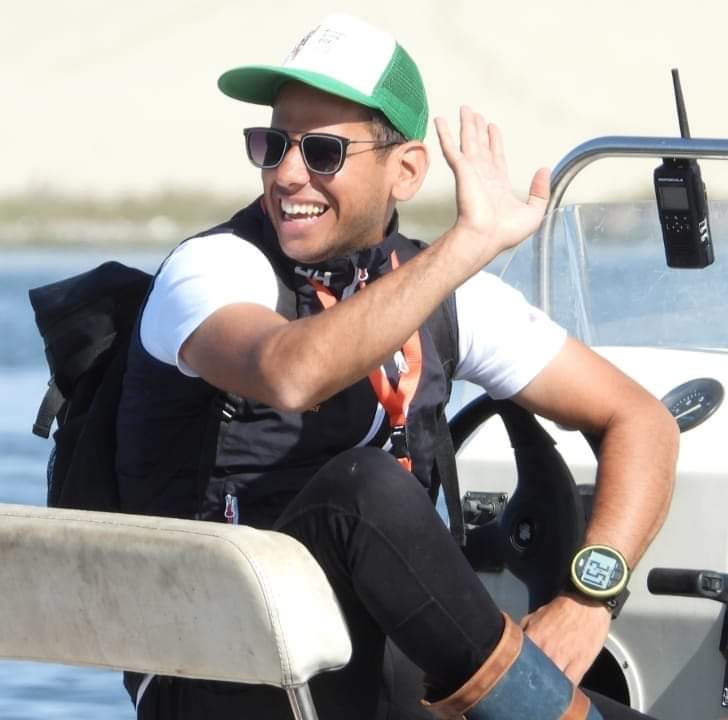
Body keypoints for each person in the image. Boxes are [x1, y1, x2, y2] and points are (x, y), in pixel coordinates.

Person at [115, 13, 678, 720]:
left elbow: (641, 420)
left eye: (322, 152)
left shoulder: (446, 292)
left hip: (382, 670)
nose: (287, 173)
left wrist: (589, 598)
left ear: (405, 171)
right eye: (272, 144)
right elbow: (291, 372)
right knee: (364, 488)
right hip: (216, 661)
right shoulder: (213, 269)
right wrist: (465, 245)